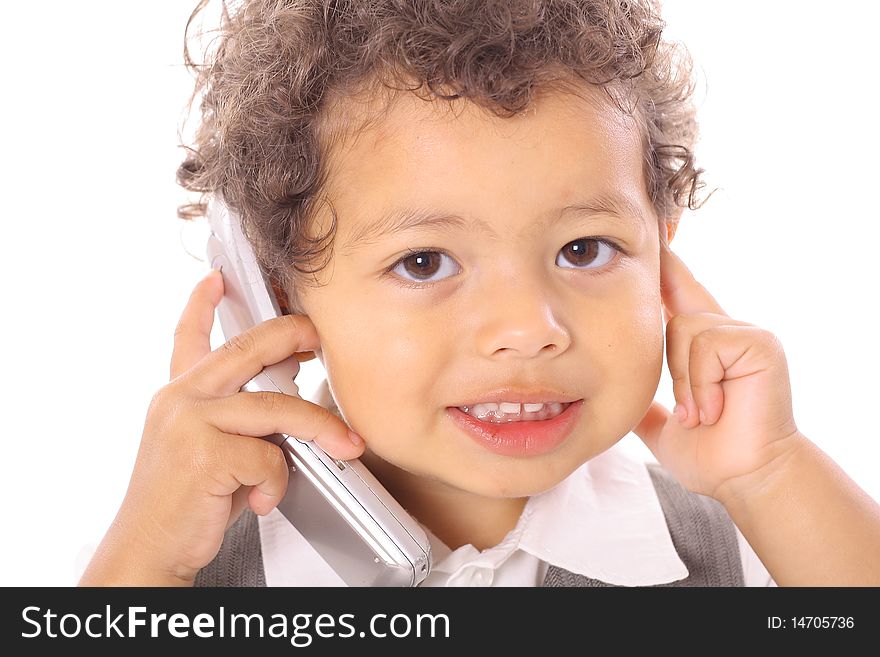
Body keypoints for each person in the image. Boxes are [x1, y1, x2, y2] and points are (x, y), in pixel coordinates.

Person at [79, 0, 880, 587]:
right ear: (278, 299)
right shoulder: (176, 569)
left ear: (662, 250)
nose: (527, 330)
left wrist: (772, 475)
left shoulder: (751, 549)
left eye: (583, 249)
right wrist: (143, 556)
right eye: (425, 262)